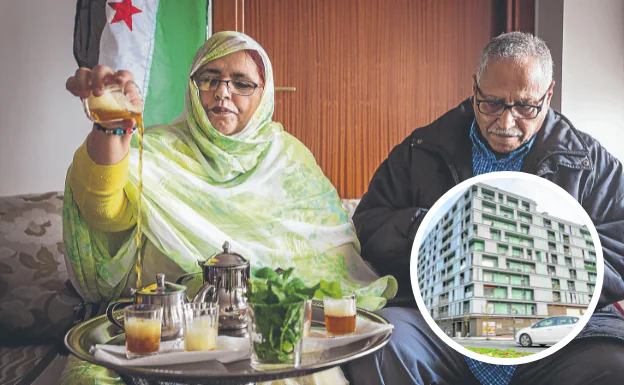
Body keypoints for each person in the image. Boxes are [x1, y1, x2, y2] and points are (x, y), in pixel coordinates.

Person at [61, 31, 396, 385]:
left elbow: (329, 259)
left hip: (265, 335)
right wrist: (111, 130)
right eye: (210, 79)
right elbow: (105, 214)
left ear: (264, 95)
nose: (223, 92)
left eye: (242, 83)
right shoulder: (153, 149)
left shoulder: (290, 161)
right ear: (193, 86)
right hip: (158, 333)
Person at [347, 31, 624, 385]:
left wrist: (553, 256)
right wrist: (429, 228)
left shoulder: (588, 161)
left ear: (548, 94)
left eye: (525, 106)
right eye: (491, 103)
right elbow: (367, 226)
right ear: (475, 87)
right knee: (385, 343)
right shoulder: (423, 148)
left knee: (615, 366)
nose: (506, 123)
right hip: (441, 327)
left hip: (559, 337)